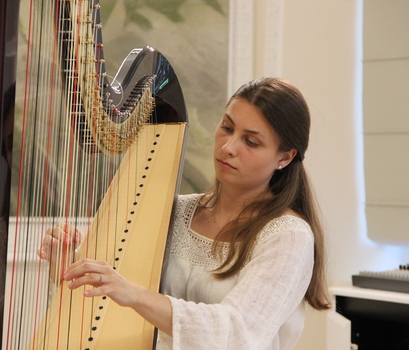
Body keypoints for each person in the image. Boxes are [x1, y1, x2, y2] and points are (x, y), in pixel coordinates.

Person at [40, 77, 331, 350]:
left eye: (251, 142)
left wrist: (136, 294)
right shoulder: (174, 210)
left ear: (284, 157)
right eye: (227, 128)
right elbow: (110, 302)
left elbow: (237, 334)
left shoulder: (287, 236)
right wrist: (66, 266)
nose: (228, 147)